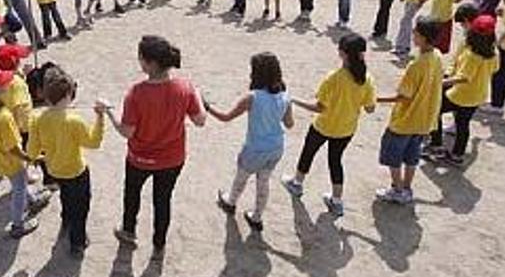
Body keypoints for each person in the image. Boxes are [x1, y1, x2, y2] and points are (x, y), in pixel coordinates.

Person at [105, 36, 206, 258]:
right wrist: (197, 94)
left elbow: (127, 132)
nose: (138, 61)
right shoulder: (185, 88)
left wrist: (109, 113)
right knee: (163, 200)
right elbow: (200, 120)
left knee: (132, 194)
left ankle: (128, 230)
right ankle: (159, 243)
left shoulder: (136, 93)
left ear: (150, 63)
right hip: (172, 159)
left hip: (139, 158)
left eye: (140, 57)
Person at [281, 33, 376, 217]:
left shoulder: (334, 78)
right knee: (335, 161)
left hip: (323, 126)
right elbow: (370, 108)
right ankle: (337, 200)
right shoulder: (367, 79)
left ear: (343, 53)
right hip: (346, 129)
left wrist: (294, 100)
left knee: (308, 152)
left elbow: (319, 107)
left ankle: (297, 183)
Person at [206, 52, 293, 231]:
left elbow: (225, 117)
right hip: (276, 148)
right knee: (264, 182)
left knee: (241, 178)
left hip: (254, 148)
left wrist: (207, 107)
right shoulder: (285, 96)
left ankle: (230, 201)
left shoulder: (252, 97)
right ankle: (257, 216)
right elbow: (289, 124)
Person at [27, 67, 106, 258]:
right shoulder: (74, 121)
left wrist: (42, 157)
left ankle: (66, 220)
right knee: (82, 206)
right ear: (69, 94)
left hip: (54, 169)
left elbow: (32, 150)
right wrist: (100, 118)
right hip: (76, 171)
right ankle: (77, 242)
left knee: (66, 195)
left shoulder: (37, 119)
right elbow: (93, 142)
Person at [0, 65, 49, 239]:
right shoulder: (3, 117)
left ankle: (33, 199)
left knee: (19, 184)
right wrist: (31, 158)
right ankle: (18, 225)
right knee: (19, 190)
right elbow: (13, 148)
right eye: (1, 83)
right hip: (12, 162)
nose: (6, 84)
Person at [375, 17, 443, 204]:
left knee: (393, 156)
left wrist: (376, 99)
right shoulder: (437, 56)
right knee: (412, 157)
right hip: (424, 120)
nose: (413, 35)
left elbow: (404, 97)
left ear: (422, 36)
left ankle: (397, 189)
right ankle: (407, 187)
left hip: (405, 121)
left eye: (416, 32)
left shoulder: (416, 65)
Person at [426, 15, 499, 164]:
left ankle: (436, 145)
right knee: (463, 124)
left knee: (434, 111)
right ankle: (457, 155)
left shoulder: (472, 55)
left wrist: (441, 83)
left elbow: (463, 77)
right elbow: (495, 69)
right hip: (478, 96)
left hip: (460, 95)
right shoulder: (494, 53)